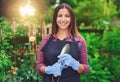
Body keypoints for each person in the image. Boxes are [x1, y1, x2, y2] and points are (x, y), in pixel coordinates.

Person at [36, 3, 89, 82]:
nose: (63, 19)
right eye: (60, 16)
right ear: (55, 18)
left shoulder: (79, 40)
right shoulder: (46, 39)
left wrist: (75, 64)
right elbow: (39, 65)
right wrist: (48, 69)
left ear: (71, 19)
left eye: (67, 16)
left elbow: (85, 68)